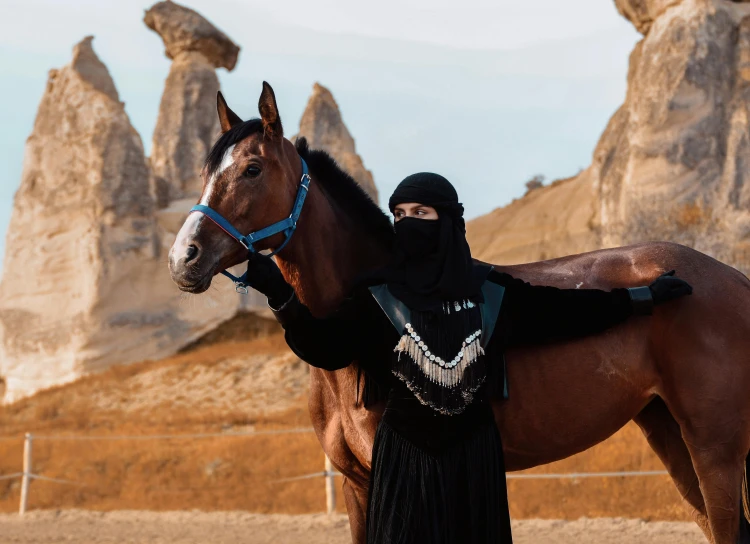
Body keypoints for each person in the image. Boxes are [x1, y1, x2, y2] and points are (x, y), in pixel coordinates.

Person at [244, 173, 692, 544]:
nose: (408, 224)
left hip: (473, 463)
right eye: (399, 215)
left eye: (421, 213)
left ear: (449, 220)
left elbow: (563, 313)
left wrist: (642, 297)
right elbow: (325, 347)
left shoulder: (490, 290)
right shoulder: (377, 294)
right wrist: (279, 294)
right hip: (404, 463)